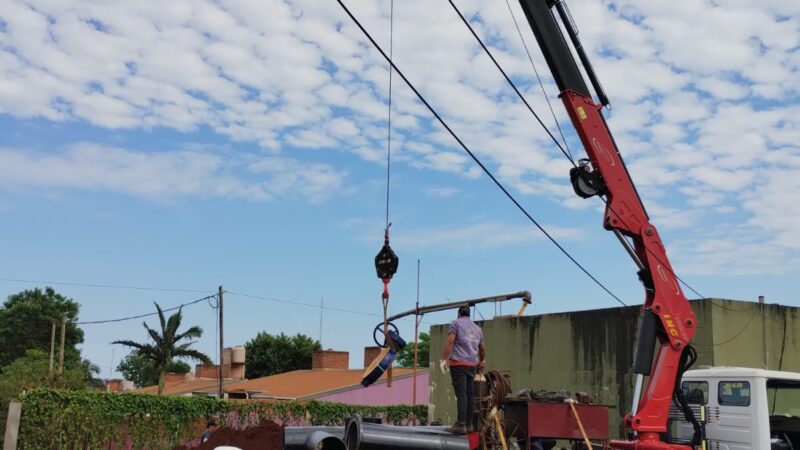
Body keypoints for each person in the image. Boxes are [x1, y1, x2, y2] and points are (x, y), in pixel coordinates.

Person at [439, 305, 485, 434]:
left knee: (461, 394)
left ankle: (461, 424)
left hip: (458, 364)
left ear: (459, 314)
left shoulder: (456, 323)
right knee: (470, 394)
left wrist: (443, 358)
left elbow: (450, 341)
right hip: (472, 365)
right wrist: (482, 360)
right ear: (469, 315)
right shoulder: (477, 329)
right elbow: (482, 348)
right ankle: (469, 424)